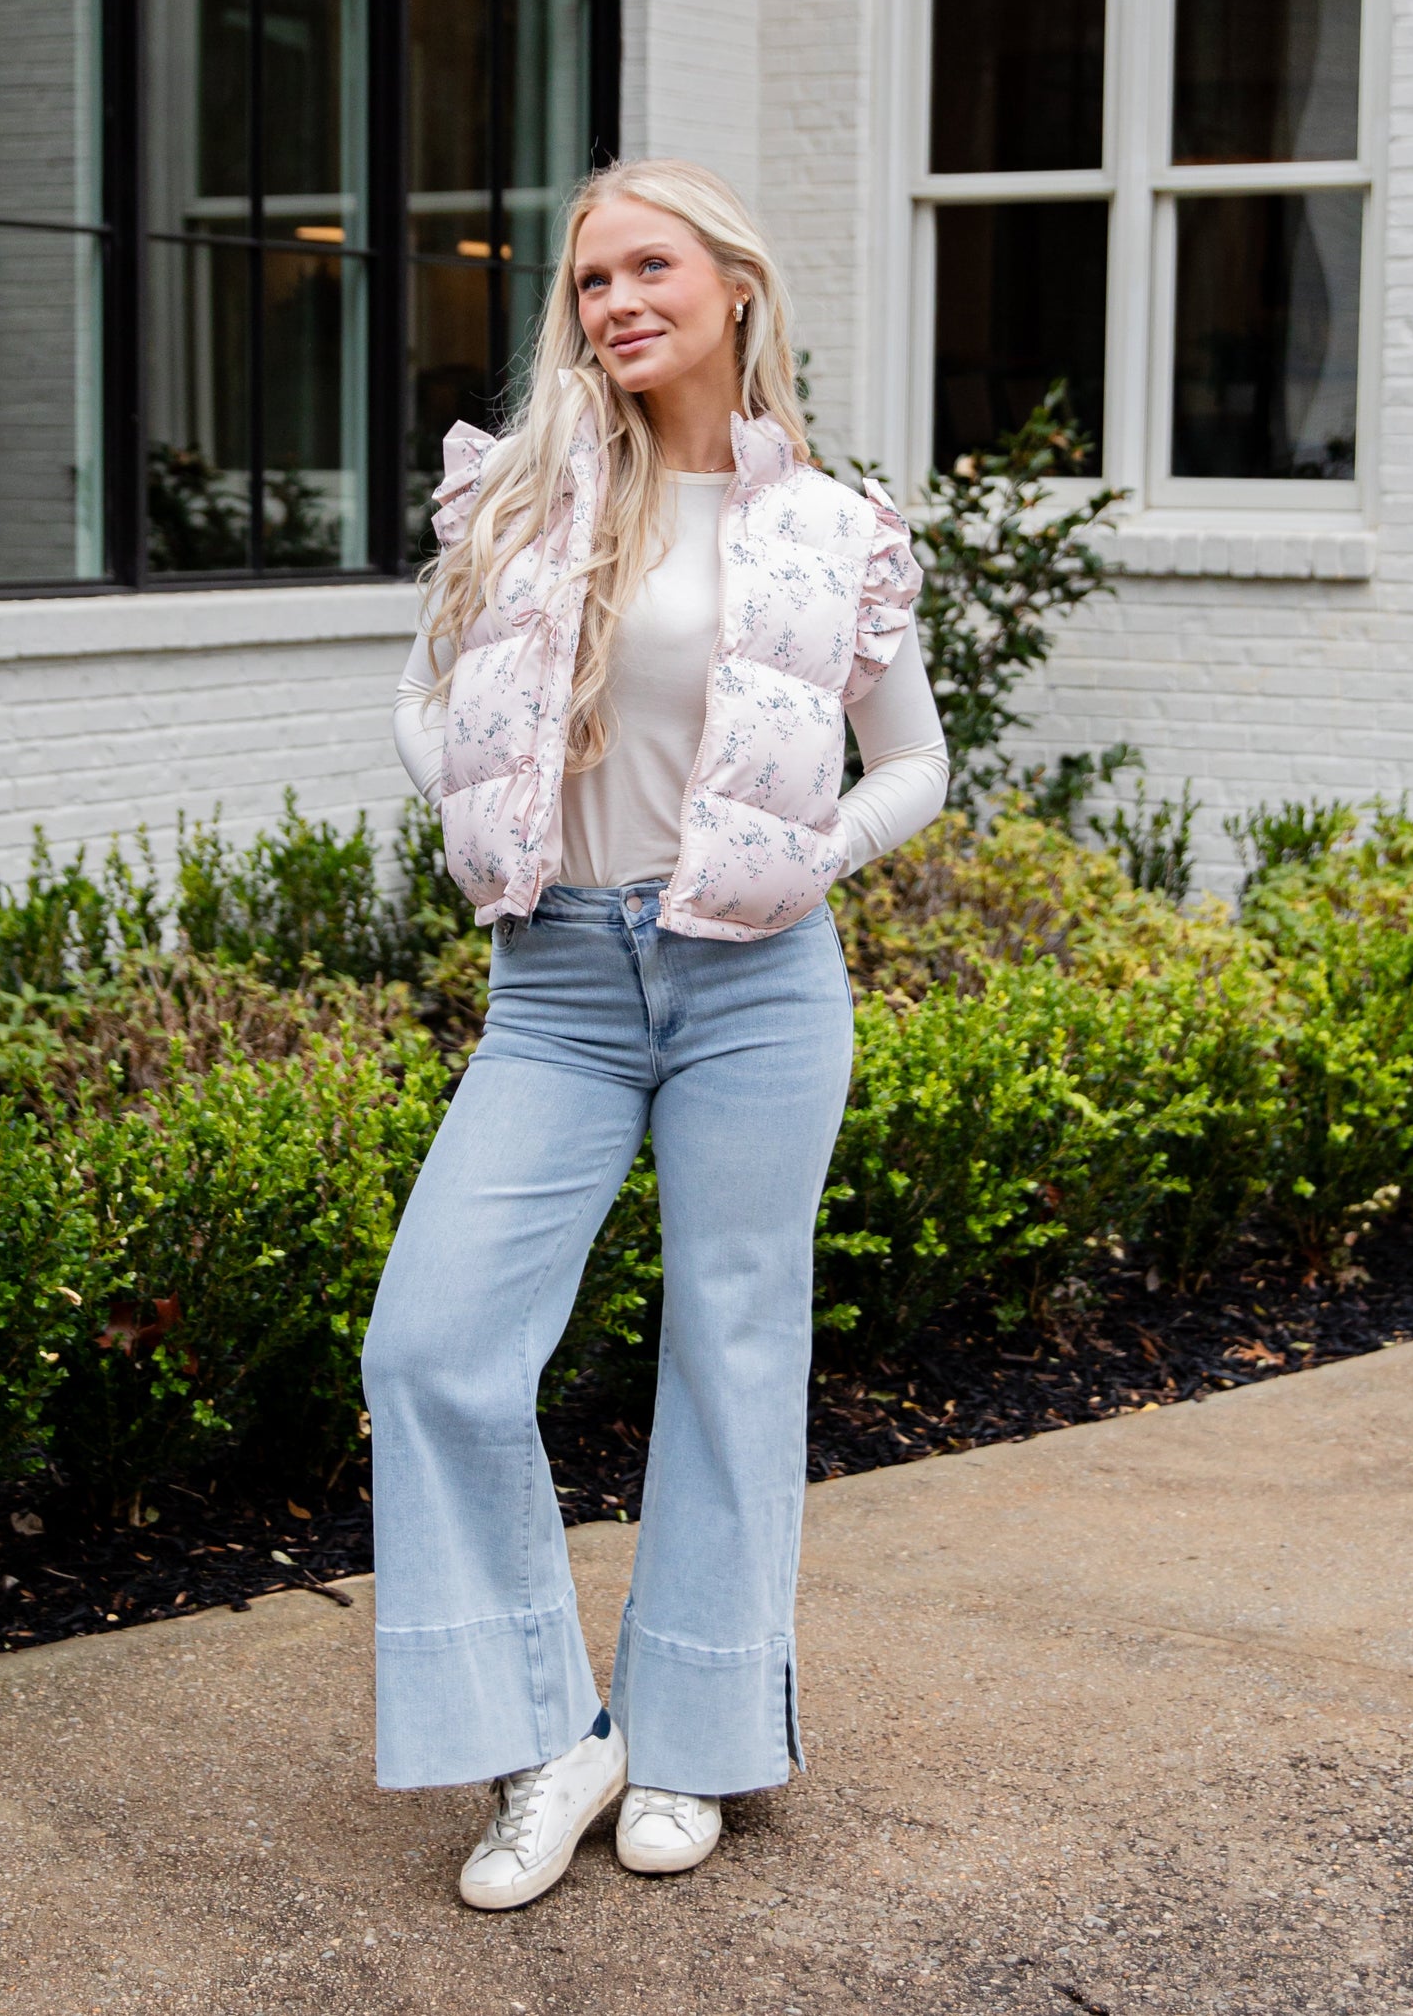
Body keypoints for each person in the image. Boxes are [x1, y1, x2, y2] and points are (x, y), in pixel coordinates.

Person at [363, 157, 949, 1912]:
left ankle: (695, 1735)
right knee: (431, 1344)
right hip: (556, 982)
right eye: (590, 278)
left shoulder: (831, 527)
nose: (614, 300)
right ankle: (551, 1733)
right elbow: (417, 697)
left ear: (735, 288)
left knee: (735, 1350)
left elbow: (915, 756)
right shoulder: (520, 500)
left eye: (648, 267)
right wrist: (485, 808)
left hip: (757, 986)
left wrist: (809, 850)